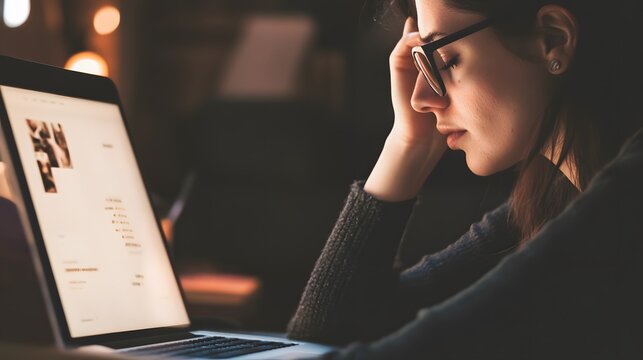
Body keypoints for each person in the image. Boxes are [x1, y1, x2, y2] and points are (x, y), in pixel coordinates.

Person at [286, 0, 643, 358]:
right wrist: (407, 145)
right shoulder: (548, 199)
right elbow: (322, 336)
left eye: (445, 60)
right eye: (422, 63)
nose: (420, 99)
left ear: (553, 38)